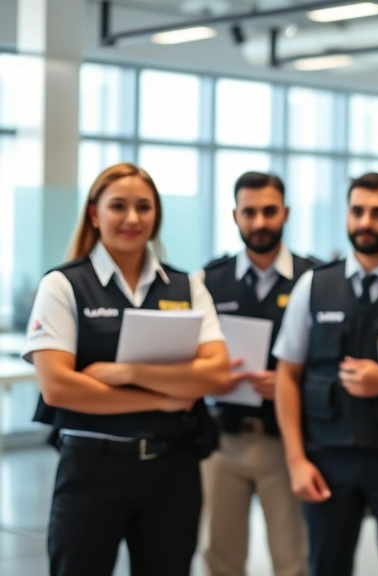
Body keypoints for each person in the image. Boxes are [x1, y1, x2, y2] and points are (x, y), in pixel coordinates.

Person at [23, 162, 231, 576]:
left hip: (172, 471)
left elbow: (216, 374)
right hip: (91, 468)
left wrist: (127, 373)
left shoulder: (186, 286)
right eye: (118, 206)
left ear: (156, 216)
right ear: (95, 214)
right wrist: (168, 398)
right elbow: (58, 388)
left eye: (144, 207)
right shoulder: (63, 286)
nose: (132, 218)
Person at [274, 173, 378, 576]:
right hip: (327, 457)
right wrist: (295, 460)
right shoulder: (315, 284)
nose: (366, 222)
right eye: (357, 211)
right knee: (327, 564)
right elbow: (287, 375)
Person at [196, 172, 316, 576]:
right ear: (235, 215)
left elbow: (329, 364)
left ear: (285, 213)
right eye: (249, 212)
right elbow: (187, 357)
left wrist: (285, 382)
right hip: (222, 440)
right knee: (220, 557)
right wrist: (211, 376)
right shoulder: (208, 281)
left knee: (292, 558)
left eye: (269, 211)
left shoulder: (314, 280)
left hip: (286, 443)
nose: (260, 222)